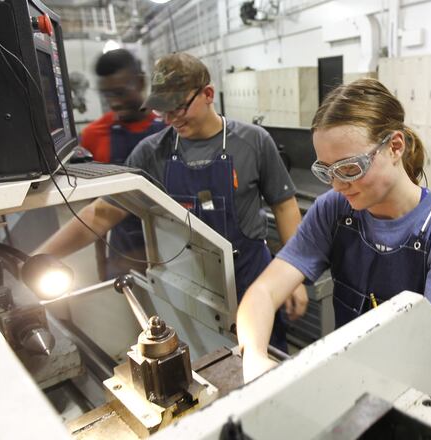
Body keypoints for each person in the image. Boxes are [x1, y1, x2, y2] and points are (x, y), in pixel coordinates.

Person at [37, 53, 305, 350]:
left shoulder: (253, 141)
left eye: (178, 107)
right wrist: (39, 257)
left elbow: (284, 205)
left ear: (208, 94)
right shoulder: (151, 152)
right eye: (163, 110)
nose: (171, 118)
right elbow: (101, 213)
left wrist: (292, 275)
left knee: (264, 359)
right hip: (191, 288)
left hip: (253, 280)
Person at [236, 78, 431, 382]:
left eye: (350, 169)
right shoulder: (333, 209)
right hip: (350, 377)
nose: (338, 185)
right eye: (327, 171)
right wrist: (256, 359)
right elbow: (262, 292)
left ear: (395, 146)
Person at [79, 48, 166, 279]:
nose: (114, 103)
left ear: (140, 83)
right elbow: (94, 211)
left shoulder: (170, 129)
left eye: (120, 92)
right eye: (107, 95)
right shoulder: (93, 136)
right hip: (123, 259)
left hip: (171, 254)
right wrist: (101, 266)